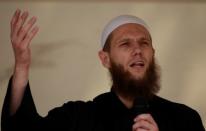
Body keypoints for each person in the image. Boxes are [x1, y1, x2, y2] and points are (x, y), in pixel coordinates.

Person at [1, 9, 205, 131]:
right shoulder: (78, 118)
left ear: (152, 53)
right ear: (105, 58)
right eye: (125, 44)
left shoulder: (185, 120)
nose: (137, 50)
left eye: (144, 43)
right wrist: (22, 66)